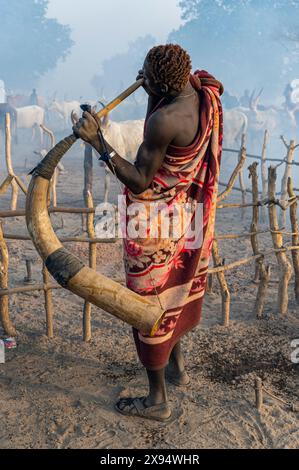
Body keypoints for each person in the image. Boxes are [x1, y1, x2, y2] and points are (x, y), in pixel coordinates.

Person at [73, 44, 223, 422]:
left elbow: (141, 181)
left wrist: (98, 143)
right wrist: (151, 90)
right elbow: (164, 143)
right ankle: (177, 369)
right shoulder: (202, 93)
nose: (139, 78)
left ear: (160, 84)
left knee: (149, 307)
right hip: (187, 215)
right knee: (174, 293)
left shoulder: (164, 120)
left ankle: (157, 400)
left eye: (145, 75)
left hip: (155, 226)